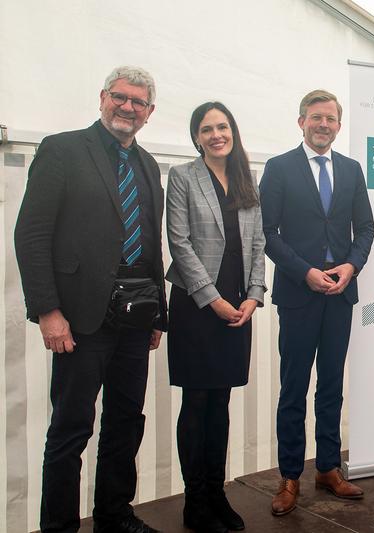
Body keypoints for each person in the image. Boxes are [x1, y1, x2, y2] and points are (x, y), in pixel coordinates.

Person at [14, 66, 166, 533]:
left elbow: (150, 244)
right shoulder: (62, 149)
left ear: (149, 112)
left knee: (125, 424)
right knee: (70, 430)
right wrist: (47, 311)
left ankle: (114, 515)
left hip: (135, 320)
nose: (128, 108)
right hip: (79, 319)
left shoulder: (146, 164)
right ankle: (59, 527)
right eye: (120, 97)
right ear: (102, 97)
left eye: (138, 102)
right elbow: (32, 233)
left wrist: (158, 312)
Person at [259, 89, 374, 516]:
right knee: (293, 388)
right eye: (315, 117)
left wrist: (351, 267)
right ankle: (289, 476)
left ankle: (328, 468)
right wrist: (304, 271)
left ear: (338, 125)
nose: (323, 124)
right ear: (301, 121)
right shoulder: (279, 168)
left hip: (340, 294)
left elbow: (364, 229)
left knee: (330, 386)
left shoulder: (350, 169)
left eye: (330, 118)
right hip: (298, 293)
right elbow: (267, 232)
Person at [165, 102, 266, 533]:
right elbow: (179, 244)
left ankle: (216, 493)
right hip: (196, 306)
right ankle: (195, 501)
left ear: (233, 131)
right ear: (196, 136)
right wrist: (213, 299)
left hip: (238, 306)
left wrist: (255, 296)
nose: (216, 134)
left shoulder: (247, 178)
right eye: (206, 129)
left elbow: (258, 243)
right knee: (197, 401)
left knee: (221, 401)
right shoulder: (183, 177)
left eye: (222, 126)